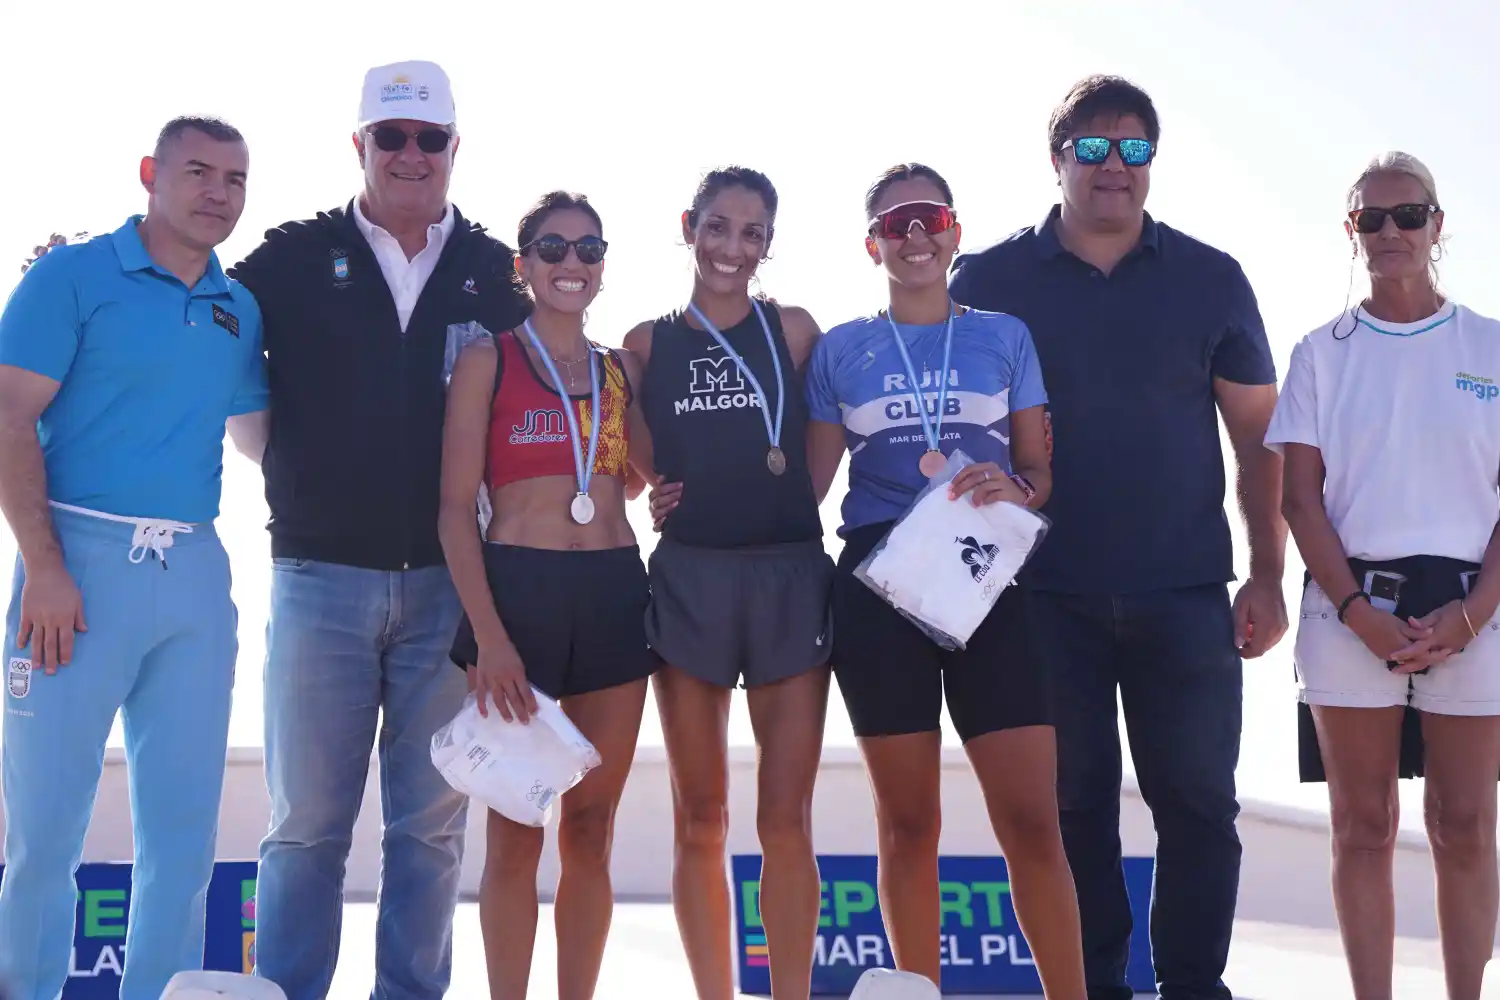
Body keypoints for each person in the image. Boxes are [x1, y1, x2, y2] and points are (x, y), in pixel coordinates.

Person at [947, 75, 1288, 1000]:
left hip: (1183, 594)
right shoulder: (986, 281)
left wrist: (1266, 575)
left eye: (1133, 150)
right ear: (1056, 159)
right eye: (1092, 149)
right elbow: (942, 421)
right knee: (1074, 813)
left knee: (1200, 813)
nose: (1113, 168)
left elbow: (1260, 442)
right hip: (1039, 597)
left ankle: (1193, 989)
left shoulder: (1212, 279)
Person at [224, 60, 532, 1000]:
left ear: (452, 149)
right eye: (389, 136)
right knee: (306, 823)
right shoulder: (284, 259)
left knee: (431, 828)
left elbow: (556, 397)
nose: (409, 154)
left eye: (427, 138)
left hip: (449, 588)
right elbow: (204, 336)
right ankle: (287, 991)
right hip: (317, 576)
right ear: (358, 145)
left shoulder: (496, 273)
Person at [801, 162, 1086, 1000]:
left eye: (928, 218)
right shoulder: (841, 349)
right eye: (896, 225)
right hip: (878, 586)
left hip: (984, 580)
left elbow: (1038, 471)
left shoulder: (1004, 334)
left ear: (955, 231)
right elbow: (805, 492)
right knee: (908, 823)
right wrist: (679, 492)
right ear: (872, 245)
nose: (915, 235)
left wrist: (1020, 488)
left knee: (1032, 820)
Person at [0, 116, 267, 1000]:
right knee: (45, 834)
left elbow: (264, 440)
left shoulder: (239, 306)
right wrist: (43, 566)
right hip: (75, 566)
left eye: (234, 178)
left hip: (193, 573)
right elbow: (7, 418)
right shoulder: (72, 274)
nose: (217, 193)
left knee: (184, 839)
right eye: (198, 172)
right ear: (151, 173)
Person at [1267, 151, 1500, 1000]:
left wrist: (1473, 614)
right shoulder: (1320, 354)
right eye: (1373, 218)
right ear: (1352, 231)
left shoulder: (1491, 345)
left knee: (1466, 825)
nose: (1391, 232)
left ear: (1439, 226)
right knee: (1364, 827)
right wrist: (1359, 612)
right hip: (1349, 613)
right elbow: (1299, 500)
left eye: (1409, 216)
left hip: (1476, 612)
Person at [439, 190, 656, 1000]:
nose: (573, 264)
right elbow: (455, 508)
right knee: (517, 828)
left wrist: (665, 487)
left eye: (590, 250)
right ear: (523, 263)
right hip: (517, 595)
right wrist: (489, 638)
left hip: (610, 589)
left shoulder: (616, 371)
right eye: (555, 249)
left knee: (592, 830)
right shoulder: (488, 359)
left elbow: (643, 476)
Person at [633, 166, 834, 1000]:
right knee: (701, 817)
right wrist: (661, 492)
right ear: (690, 226)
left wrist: (782, 505)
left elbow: (818, 464)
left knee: (785, 819)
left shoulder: (793, 330)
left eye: (751, 233)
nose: (731, 247)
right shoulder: (645, 343)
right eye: (718, 226)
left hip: (789, 574)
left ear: (768, 245)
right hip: (691, 581)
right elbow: (639, 464)